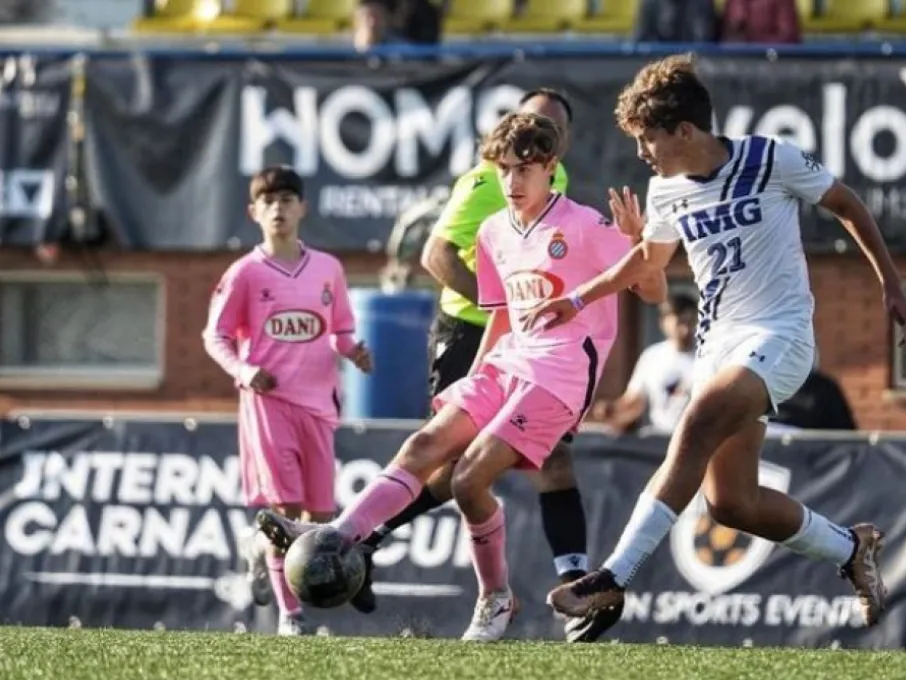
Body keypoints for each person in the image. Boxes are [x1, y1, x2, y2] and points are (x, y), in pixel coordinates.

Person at [524, 54, 906, 627]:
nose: (642, 152)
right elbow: (647, 260)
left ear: (685, 130)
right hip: (719, 347)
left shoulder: (770, 158)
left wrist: (892, 285)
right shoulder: (664, 190)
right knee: (731, 503)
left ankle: (612, 578)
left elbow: (846, 204)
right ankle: (849, 549)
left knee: (697, 421)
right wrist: (579, 296)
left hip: (780, 337)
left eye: (648, 139)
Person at [256, 112, 667, 642]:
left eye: (525, 170)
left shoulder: (584, 225)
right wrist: (473, 386)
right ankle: (336, 536)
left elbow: (652, 291)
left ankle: (495, 599)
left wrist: (640, 247)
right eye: (504, 171)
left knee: (471, 478)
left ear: (551, 169)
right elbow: (501, 315)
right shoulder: (495, 232)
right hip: (506, 364)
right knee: (426, 443)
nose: (513, 183)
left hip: (560, 376)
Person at [349, 89, 624, 643]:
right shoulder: (485, 191)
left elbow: (639, 274)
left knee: (516, 465)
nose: (516, 172)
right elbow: (436, 255)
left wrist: (634, 249)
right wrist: (507, 319)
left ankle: (572, 584)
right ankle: (357, 536)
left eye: (545, 132)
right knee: (448, 462)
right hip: (472, 336)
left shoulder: (566, 199)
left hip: (549, 358)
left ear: (557, 149)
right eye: (524, 128)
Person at [202, 166, 373, 636]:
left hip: (319, 406)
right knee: (283, 510)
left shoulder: (328, 269)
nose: (278, 208)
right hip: (268, 404)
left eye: (287, 199)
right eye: (268, 201)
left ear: (303, 208)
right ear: (254, 212)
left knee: (316, 519)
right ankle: (289, 615)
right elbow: (214, 336)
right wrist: (243, 370)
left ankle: (258, 550)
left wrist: (353, 351)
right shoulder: (245, 273)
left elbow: (338, 331)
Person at [591, 293, 697, 435]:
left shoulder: (707, 355)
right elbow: (634, 402)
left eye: (690, 322)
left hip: (698, 439)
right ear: (664, 322)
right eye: (679, 323)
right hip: (660, 437)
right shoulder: (652, 357)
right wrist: (612, 410)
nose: (685, 330)